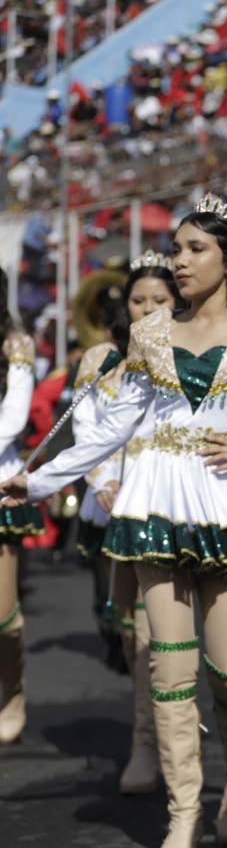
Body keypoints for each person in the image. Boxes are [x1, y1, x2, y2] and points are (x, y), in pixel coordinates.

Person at [0, 198, 227, 848]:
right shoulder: (152, 333)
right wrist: (38, 480)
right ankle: (184, 810)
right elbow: (109, 429)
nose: (179, 261)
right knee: (169, 665)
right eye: (176, 248)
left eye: (195, 248)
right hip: (155, 499)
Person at [72, 254, 177, 793]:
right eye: (140, 300)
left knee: (172, 634)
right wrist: (100, 481)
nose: (149, 309)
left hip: (174, 497)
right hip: (117, 501)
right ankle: (147, 740)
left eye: (160, 300)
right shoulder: (99, 358)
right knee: (134, 627)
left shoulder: (187, 346)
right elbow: (88, 425)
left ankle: (179, 734)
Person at [0, 270, 44, 745]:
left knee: (3, 616)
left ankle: (12, 692)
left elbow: (14, 414)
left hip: (0, 485)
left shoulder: (17, 344)